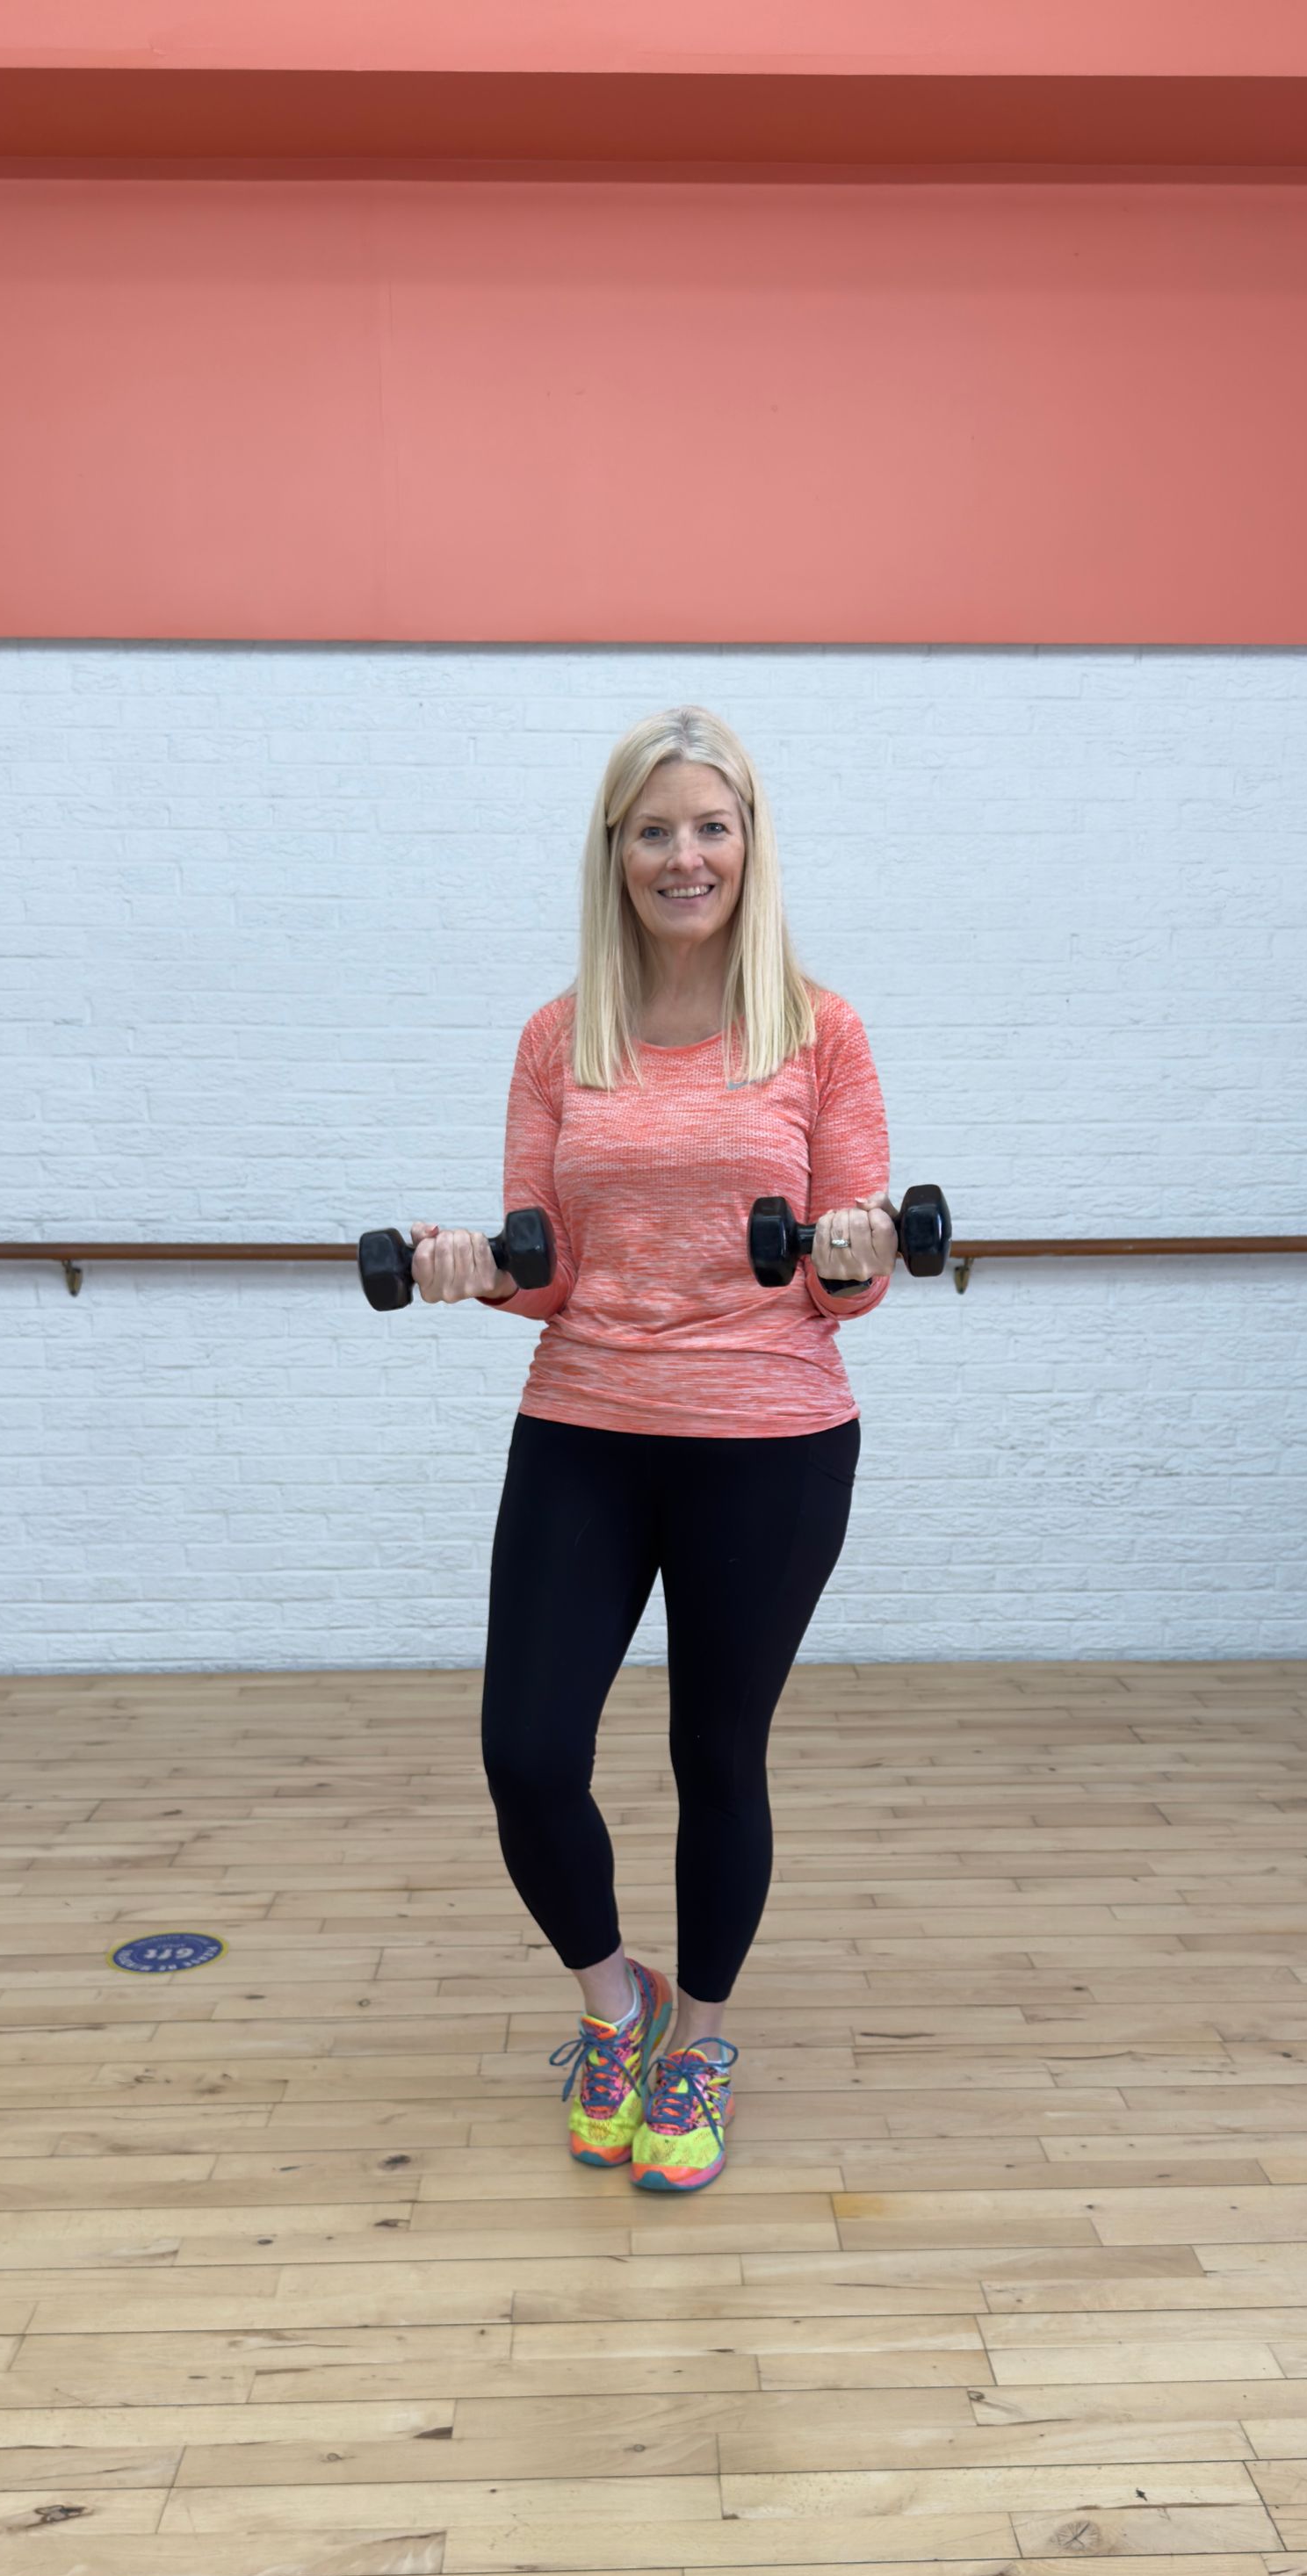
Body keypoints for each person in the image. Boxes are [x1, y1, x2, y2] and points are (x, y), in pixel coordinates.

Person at [408, 707, 898, 2191]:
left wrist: (860, 1248)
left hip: (769, 1438)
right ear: (614, 851)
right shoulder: (561, 1036)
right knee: (527, 1751)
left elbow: (846, 1276)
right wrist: (466, 1267)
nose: (683, 856)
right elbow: (543, 1262)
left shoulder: (821, 1030)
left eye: (709, 826)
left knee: (712, 1751)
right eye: (653, 830)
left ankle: (698, 2043)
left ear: (748, 842)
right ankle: (611, 2003)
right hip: (586, 1423)